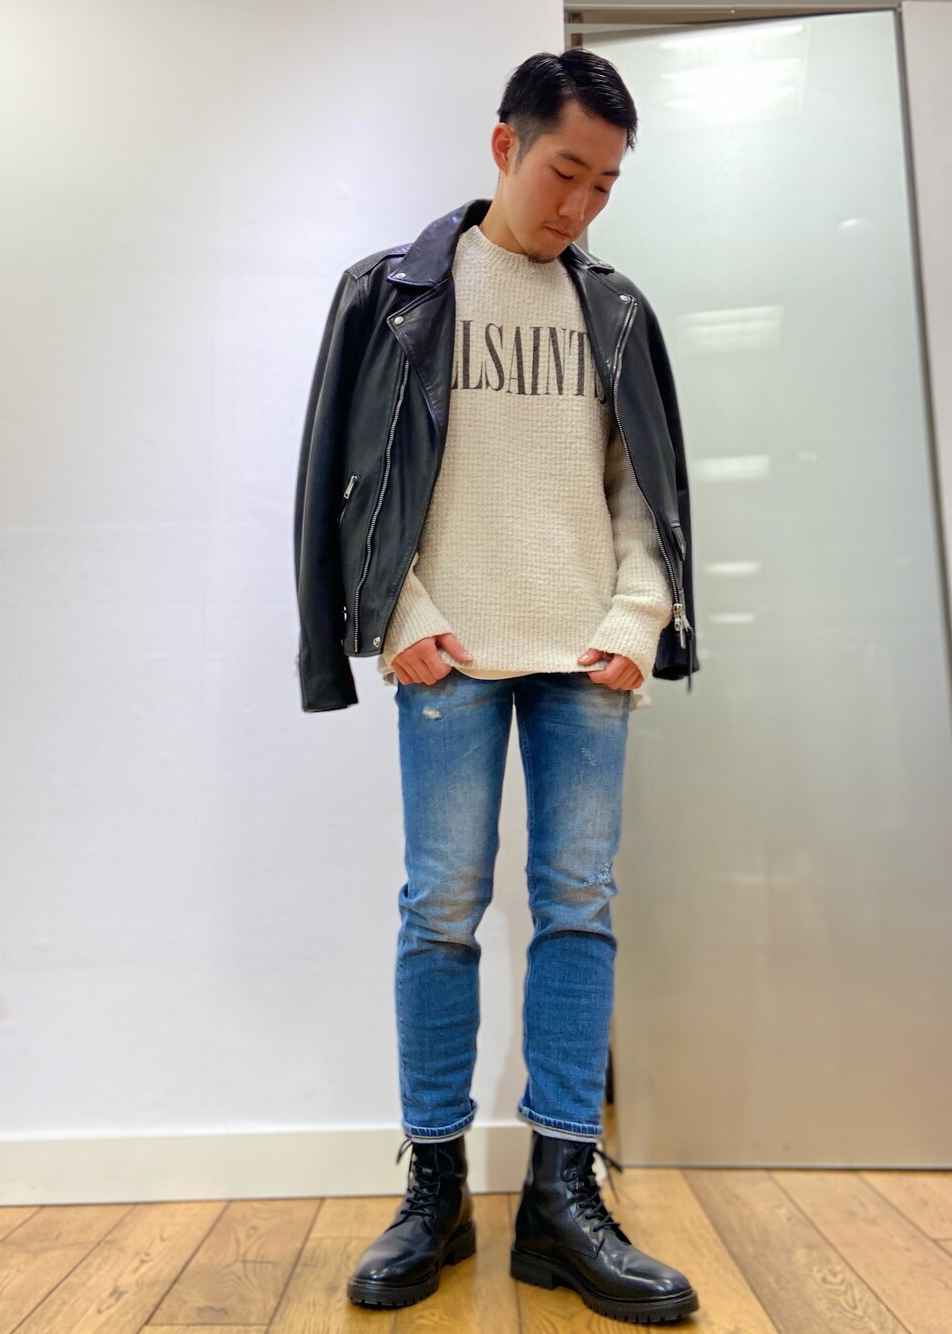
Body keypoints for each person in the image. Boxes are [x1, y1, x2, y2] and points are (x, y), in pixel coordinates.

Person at [294, 48, 700, 1325]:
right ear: (503, 145)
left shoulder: (615, 308)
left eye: (606, 184)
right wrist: (397, 614)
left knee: (578, 907)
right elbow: (346, 472)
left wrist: (637, 618)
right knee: (441, 910)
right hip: (450, 649)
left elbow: (646, 484)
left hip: (588, 653)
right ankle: (433, 1190)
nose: (580, 204)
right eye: (563, 171)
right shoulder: (397, 292)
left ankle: (562, 1198)